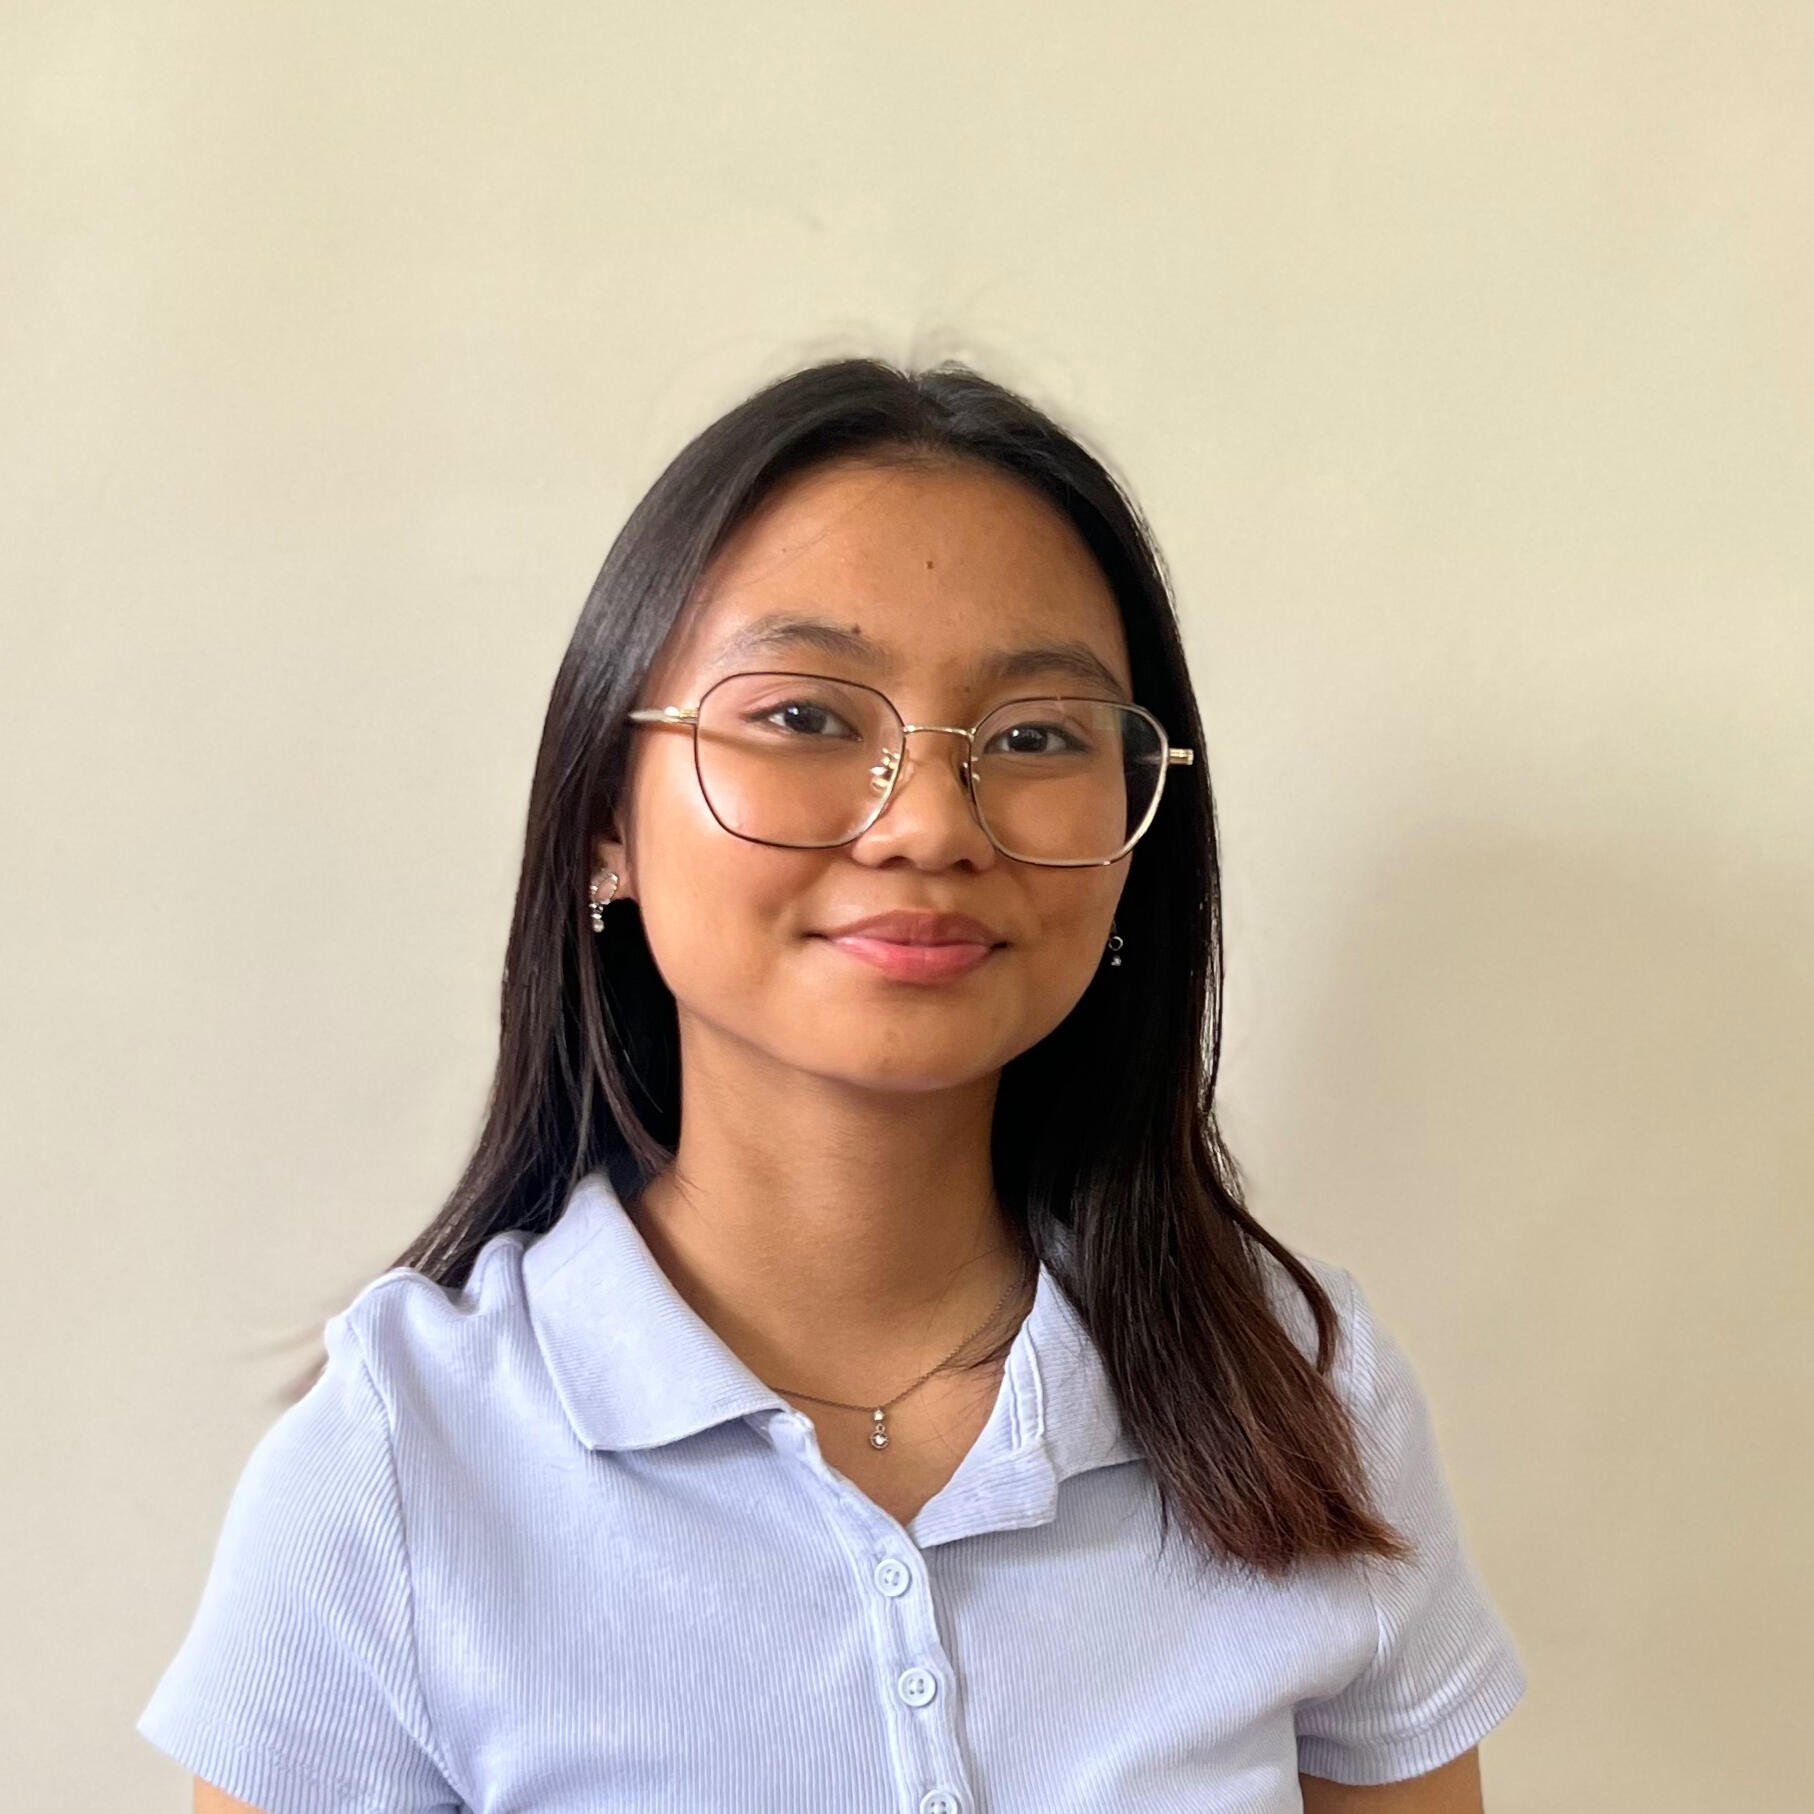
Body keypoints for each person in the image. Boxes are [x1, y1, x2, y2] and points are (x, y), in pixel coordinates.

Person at [136, 357, 1527, 1813]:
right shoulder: (400, 1467)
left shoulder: (1300, 1393)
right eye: (804, 717)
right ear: (606, 817)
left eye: (1035, 735)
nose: (927, 823)